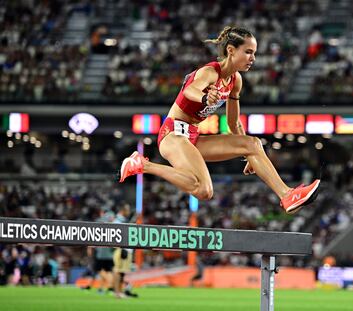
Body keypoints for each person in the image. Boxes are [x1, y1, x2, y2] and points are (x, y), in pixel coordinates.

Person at [119, 26, 320, 214]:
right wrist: (205, 97)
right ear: (231, 50)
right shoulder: (209, 72)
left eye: (254, 53)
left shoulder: (235, 81)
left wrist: (250, 155)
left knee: (253, 143)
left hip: (192, 136)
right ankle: (143, 165)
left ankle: (287, 195)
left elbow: (234, 123)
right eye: (248, 52)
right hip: (172, 134)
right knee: (204, 190)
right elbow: (190, 90)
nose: (253, 58)